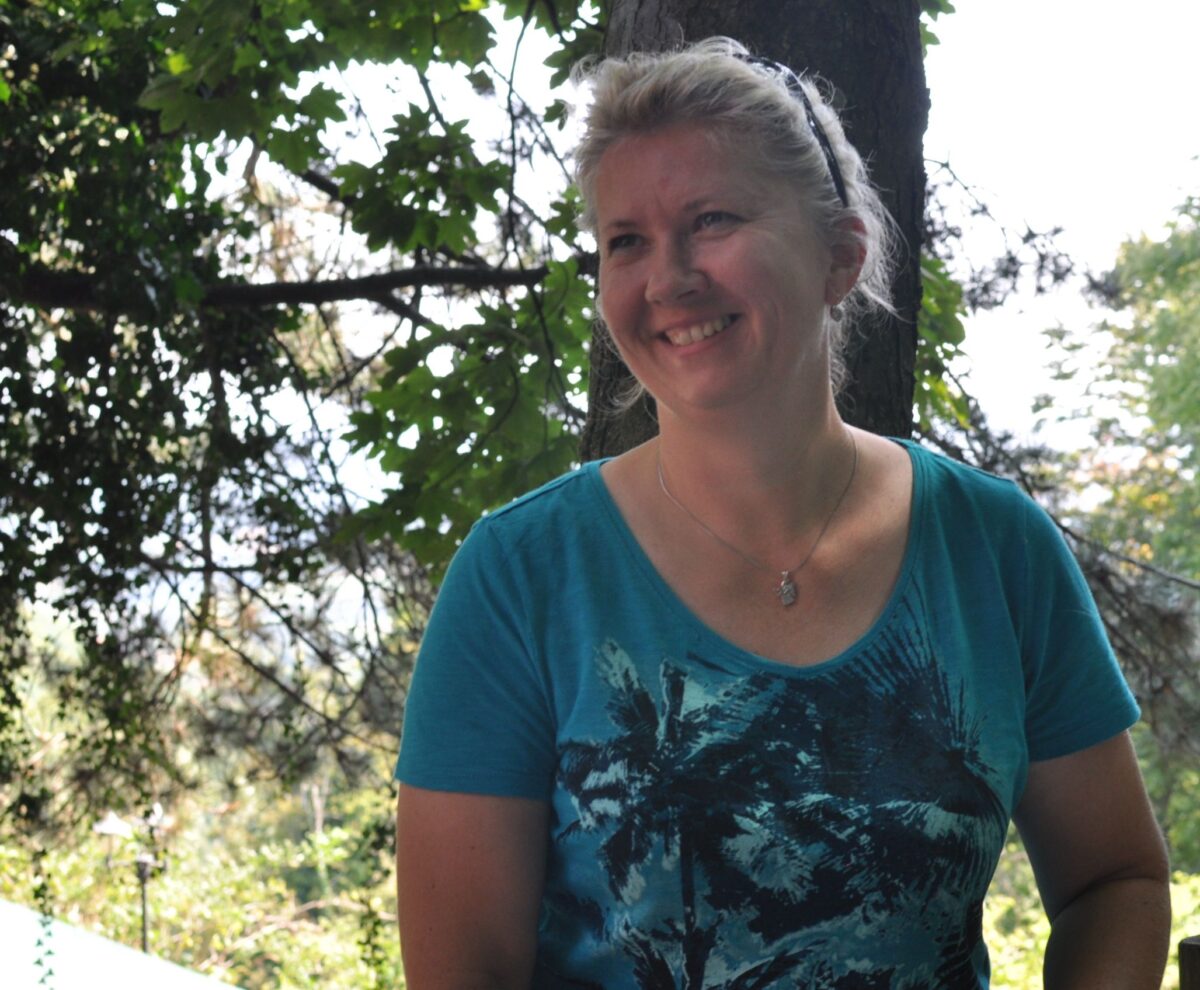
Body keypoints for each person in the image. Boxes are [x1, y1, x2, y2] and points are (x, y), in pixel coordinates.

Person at [394, 37, 1171, 989]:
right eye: (626, 241)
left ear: (840, 255)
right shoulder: (521, 577)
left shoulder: (994, 548)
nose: (668, 278)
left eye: (711, 220)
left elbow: (1114, 881)